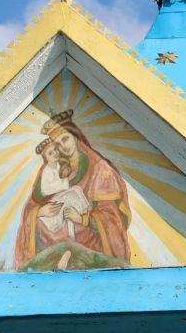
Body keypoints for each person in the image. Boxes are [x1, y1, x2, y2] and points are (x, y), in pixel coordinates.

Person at [11, 111, 132, 271]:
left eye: (65, 139)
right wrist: (40, 212)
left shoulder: (100, 169)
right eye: (57, 144)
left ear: (75, 136)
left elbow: (112, 219)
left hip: (90, 242)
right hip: (57, 237)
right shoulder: (53, 169)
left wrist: (82, 219)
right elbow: (30, 209)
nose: (63, 147)